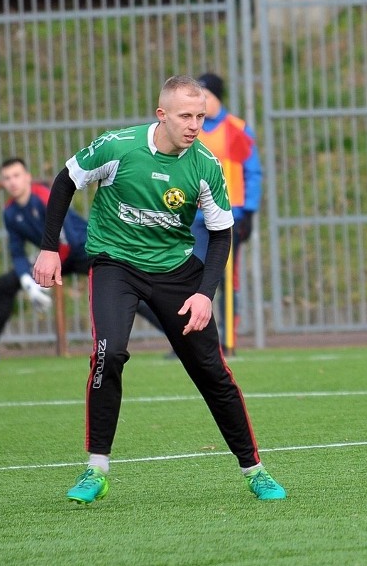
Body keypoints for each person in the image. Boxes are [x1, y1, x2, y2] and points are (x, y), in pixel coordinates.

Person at [32, 75, 286, 504]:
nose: (194, 125)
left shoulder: (205, 165)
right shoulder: (118, 147)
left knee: (213, 373)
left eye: (201, 116)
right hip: (117, 265)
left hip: (176, 272)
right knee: (108, 353)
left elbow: (222, 235)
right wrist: (48, 249)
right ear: (161, 115)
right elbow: (65, 181)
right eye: (185, 116)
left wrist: (205, 294)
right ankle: (96, 469)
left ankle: (254, 470)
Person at [0, 158, 164, 364]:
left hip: (85, 250)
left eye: (16, 175)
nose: (12, 182)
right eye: (7, 178)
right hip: (54, 257)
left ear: (27, 177)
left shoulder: (44, 197)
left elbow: (69, 242)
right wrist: (28, 283)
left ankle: (176, 339)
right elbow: (17, 251)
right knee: (6, 283)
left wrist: (46, 275)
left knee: (129, 292)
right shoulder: (10, 212)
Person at [191, 72, 263, 354]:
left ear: (217, 98)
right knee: (191, 276)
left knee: (225, 277)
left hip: (229, 214)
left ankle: (227, 340)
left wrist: (249, 212)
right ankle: (192, 341)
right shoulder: (191, 129)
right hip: (195, 218)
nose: (201, 103)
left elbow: (252, 172)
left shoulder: (236, 129)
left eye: (205, 97)